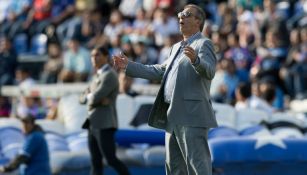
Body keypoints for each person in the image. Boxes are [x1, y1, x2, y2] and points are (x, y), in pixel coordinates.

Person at [113, 4, 217, 175]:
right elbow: (159, 71)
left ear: (198, 21)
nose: (180, 17)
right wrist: (129, 66)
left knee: (198, 167)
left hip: (192, 115)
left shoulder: (204, 44)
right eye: (180, 13)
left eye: (186, 14)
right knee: (173, 168)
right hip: (172, 113)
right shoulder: (176, 47)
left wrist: (196, 61)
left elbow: (210, 71)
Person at [79, 46, 130, 175]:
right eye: (92, 55)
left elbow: (95, 97)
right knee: (95, 162)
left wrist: (91, 96)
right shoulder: (97, 75)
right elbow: (82, 98)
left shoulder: (110, 75)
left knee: (110, 159)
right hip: (93, 123)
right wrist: (91, 97)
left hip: (104, 124)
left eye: (97, 55)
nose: (94, 58)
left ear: (106, 57)